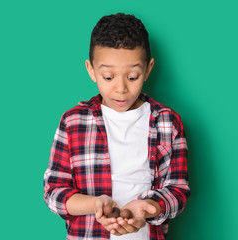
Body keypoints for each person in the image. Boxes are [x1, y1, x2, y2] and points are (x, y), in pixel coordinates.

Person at [43, 13, 190, 240]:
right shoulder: (72, 122)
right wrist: (96, 204)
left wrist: (149, 207)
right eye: (109, 77)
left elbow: (178, 190)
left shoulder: (167, 122)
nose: (120, 88)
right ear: (91, 70)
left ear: (148, 69)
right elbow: (54, 191)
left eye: (132, 77)